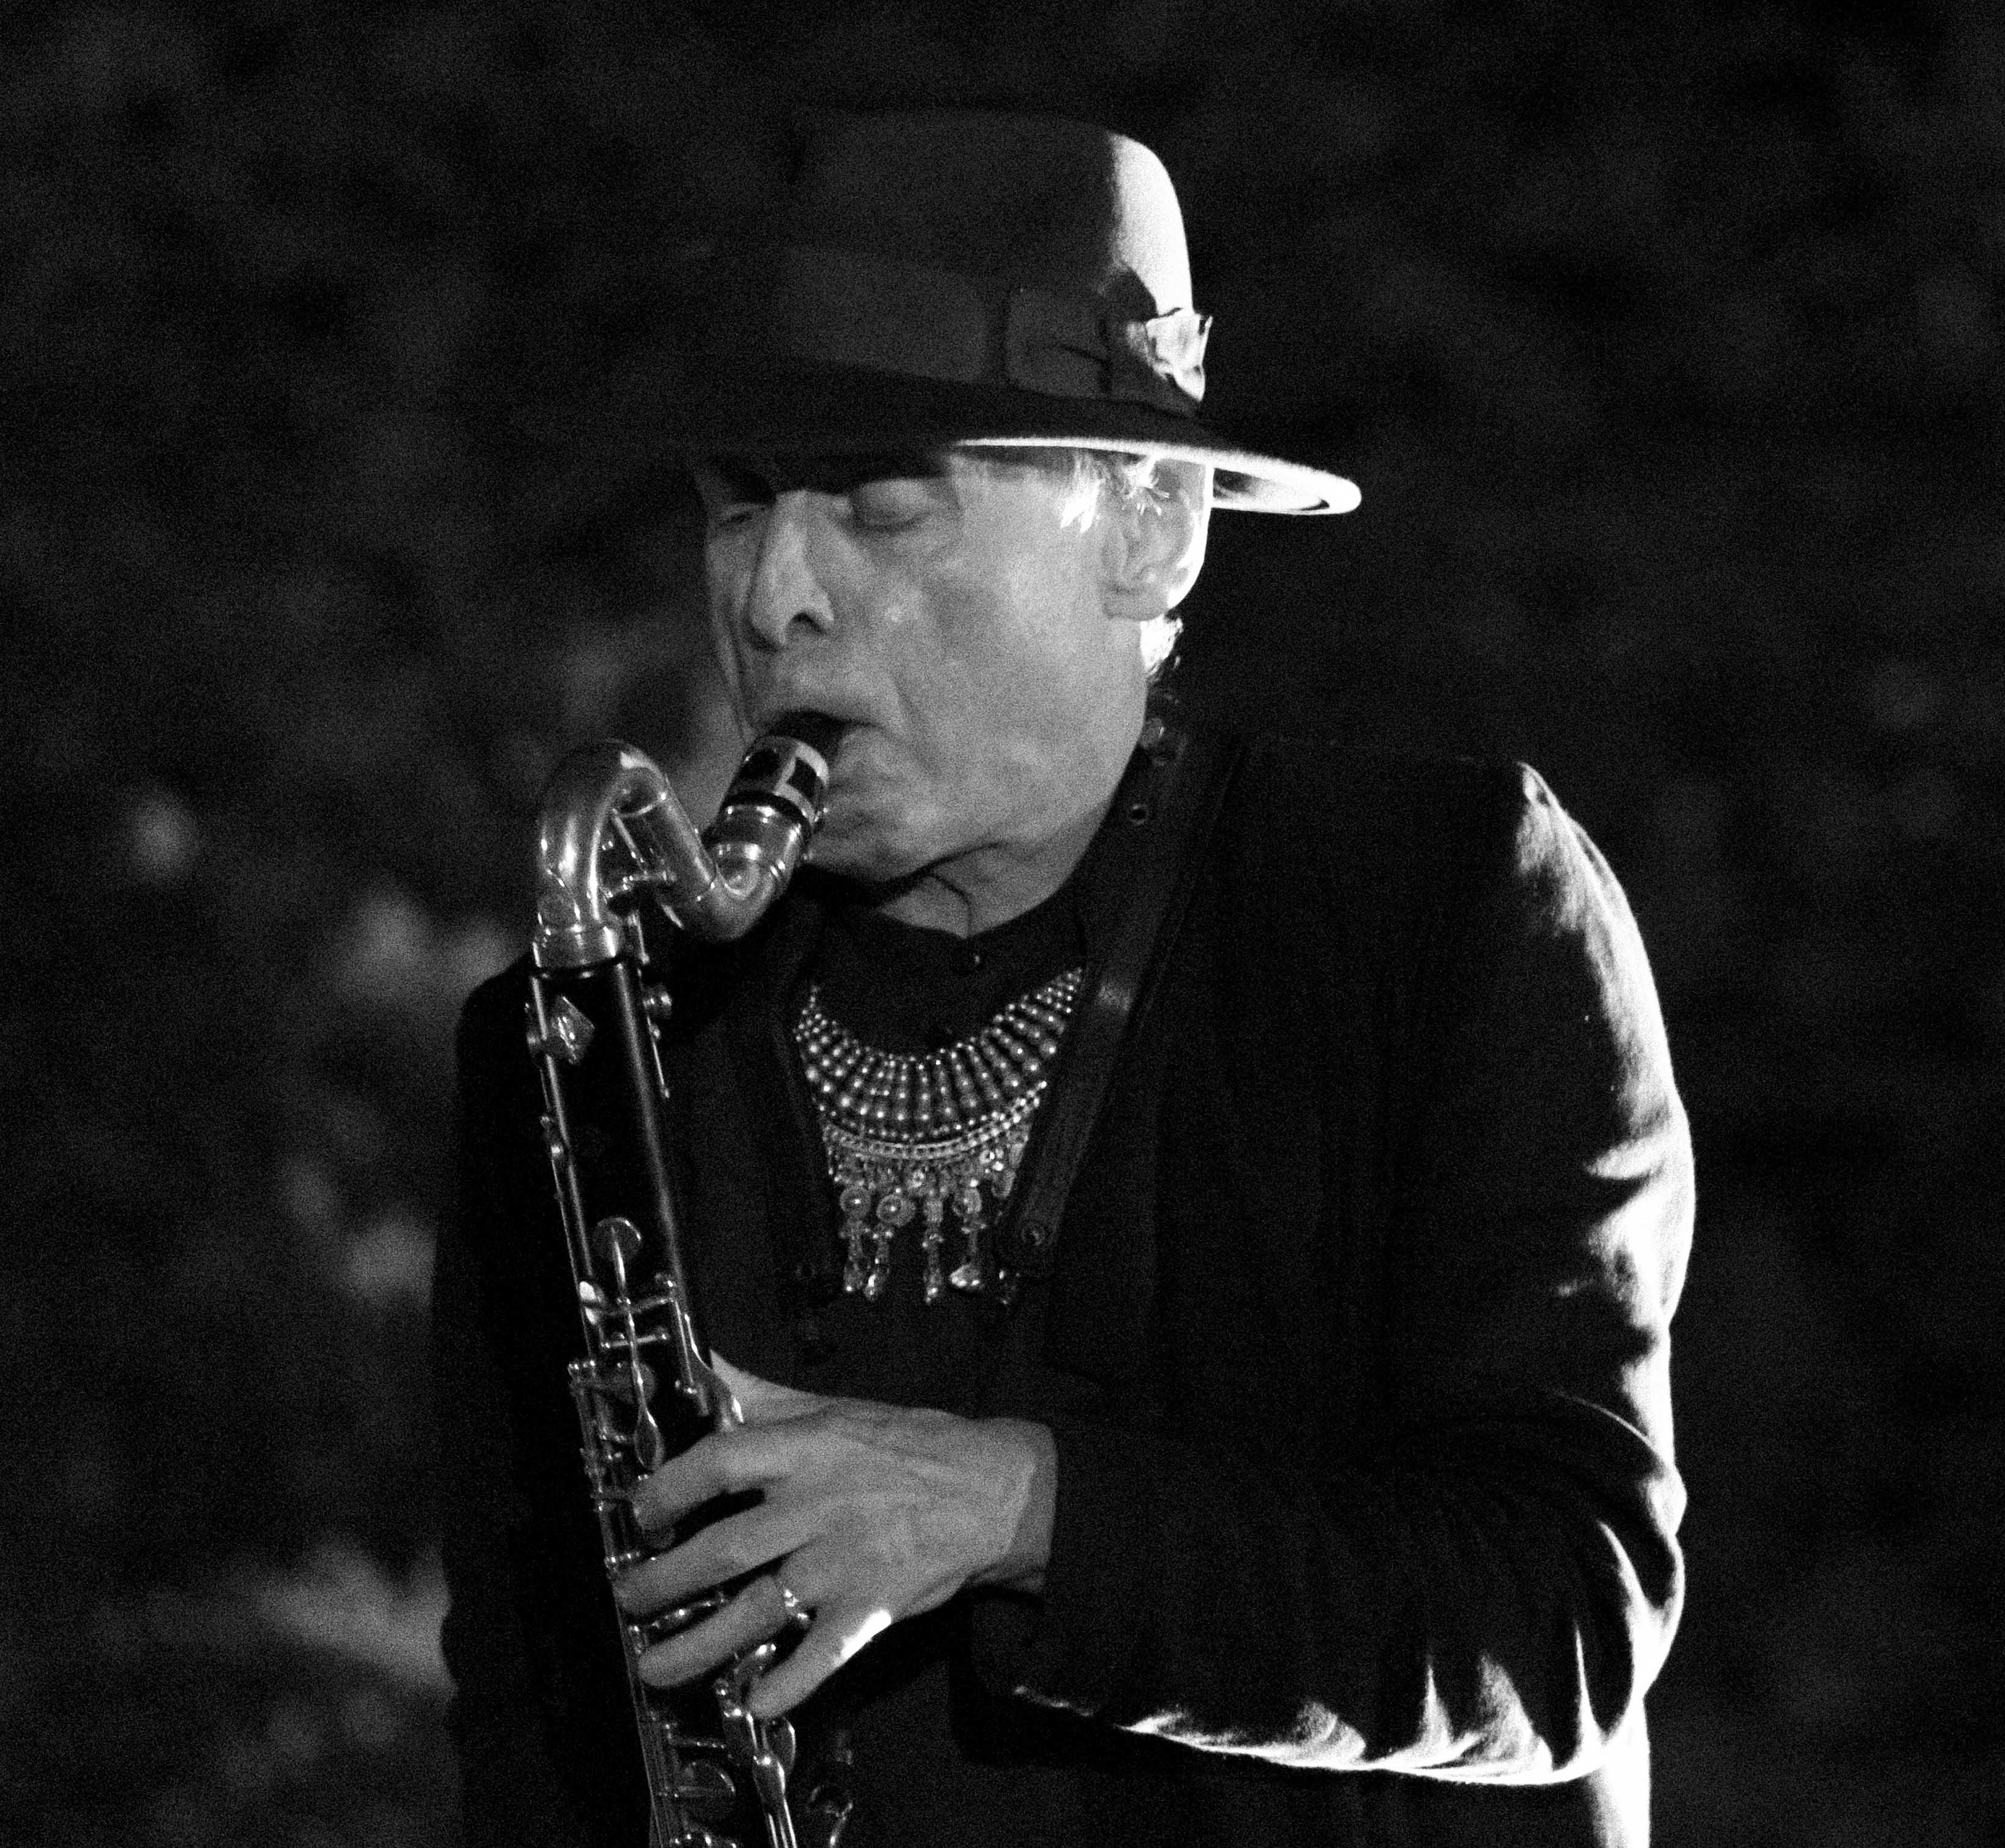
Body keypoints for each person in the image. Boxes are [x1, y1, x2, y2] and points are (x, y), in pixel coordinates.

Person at [434, 108, 1694, 1848]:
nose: (776, 598)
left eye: (882, 503)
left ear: (1152, 526)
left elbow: (1564, 1613)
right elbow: (532, 1728)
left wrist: (1020, 1509)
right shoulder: (582, 1042)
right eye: (739, 507)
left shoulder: (1441, 910)